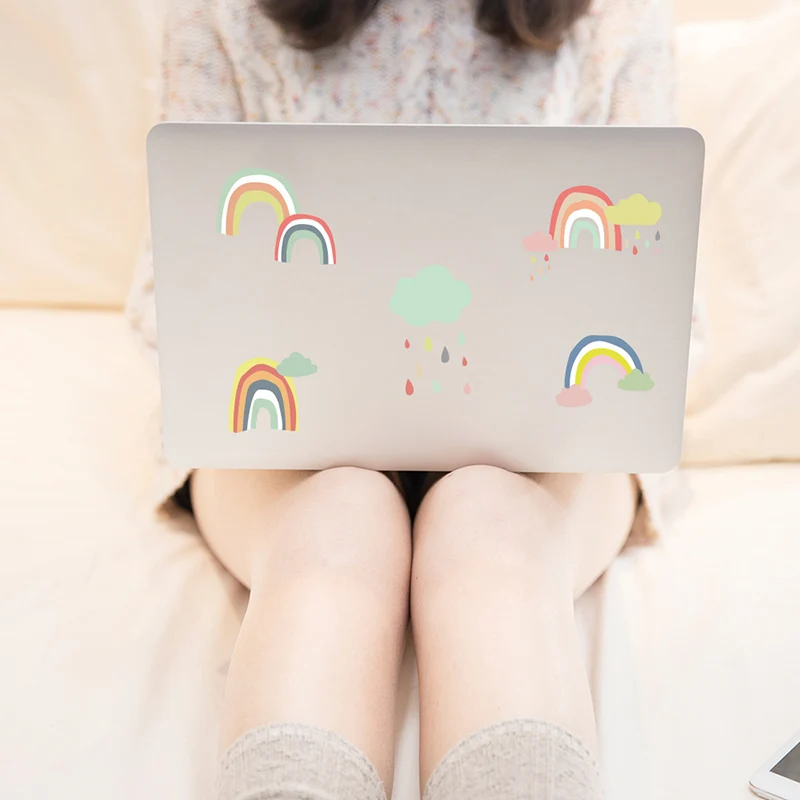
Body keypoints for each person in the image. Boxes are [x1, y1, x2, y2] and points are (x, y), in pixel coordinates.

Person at [127, 0, 704, 797]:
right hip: (280, 445)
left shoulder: (618, 18)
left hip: (553, 453)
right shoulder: (221, 13)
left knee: (493, 543)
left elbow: (663, 308)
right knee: (335, 537)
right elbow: (166, 290)